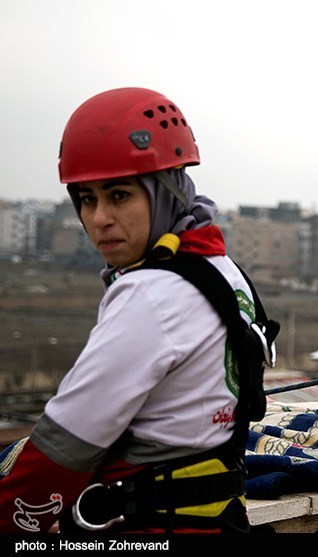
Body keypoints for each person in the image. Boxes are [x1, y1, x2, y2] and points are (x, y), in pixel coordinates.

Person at [0, 87, 273, 533]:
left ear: (166, 191)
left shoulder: (151, 294)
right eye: (87, 199)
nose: (100, 218)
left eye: (120, 195)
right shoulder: (222, 270)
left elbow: (64, 446)